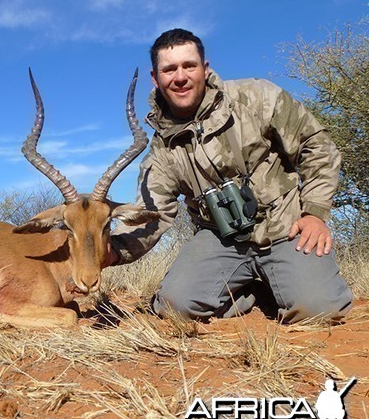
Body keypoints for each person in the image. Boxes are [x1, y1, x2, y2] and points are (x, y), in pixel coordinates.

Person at [106, 29, 353, 323]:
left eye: (189, 66)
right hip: (220, 237)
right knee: (174, 308)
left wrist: (314, 212)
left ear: (205, 68)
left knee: (320, 309)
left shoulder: (256, 97)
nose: (180, 77)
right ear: (155, 77)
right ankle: (250, 291)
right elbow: (152, 214)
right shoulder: (160, 153)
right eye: (169, 69)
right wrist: (111, 251)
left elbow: (318, 146)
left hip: (286, 226)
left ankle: (283, 280)